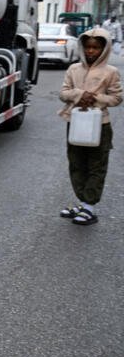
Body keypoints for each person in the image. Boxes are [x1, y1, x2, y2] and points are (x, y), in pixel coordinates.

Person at [58, 28, 122, 225]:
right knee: (76, 163)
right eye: (87, 47)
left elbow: (117, 98)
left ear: (104, 49)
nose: (91, 51)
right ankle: (83, 203)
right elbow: (63, 93)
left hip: (100, 125)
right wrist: (79, 95)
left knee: (96, 165)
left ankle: (89, 207)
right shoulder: (73, 69)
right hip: (76, 123)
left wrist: (95, 98)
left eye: (96, 48)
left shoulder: (111, 72)